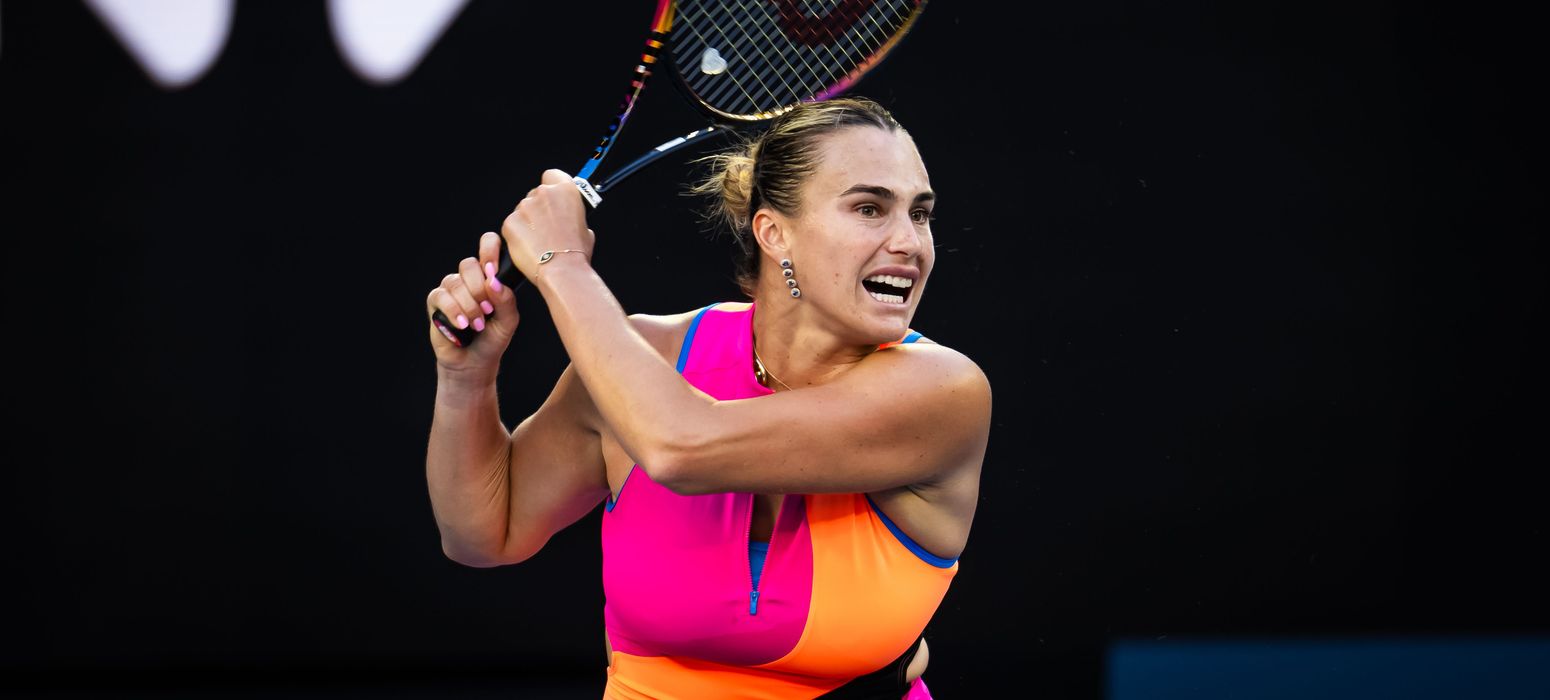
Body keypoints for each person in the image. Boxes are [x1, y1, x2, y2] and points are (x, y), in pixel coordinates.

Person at [424, 97, 991, 699]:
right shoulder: (646, 358)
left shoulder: (942, 391)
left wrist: (561, 265)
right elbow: (485, 534)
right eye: (870, 208)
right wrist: (466, 378)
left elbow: (681, 448)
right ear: (774, 233)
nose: (910, 242)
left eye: (921, 215)